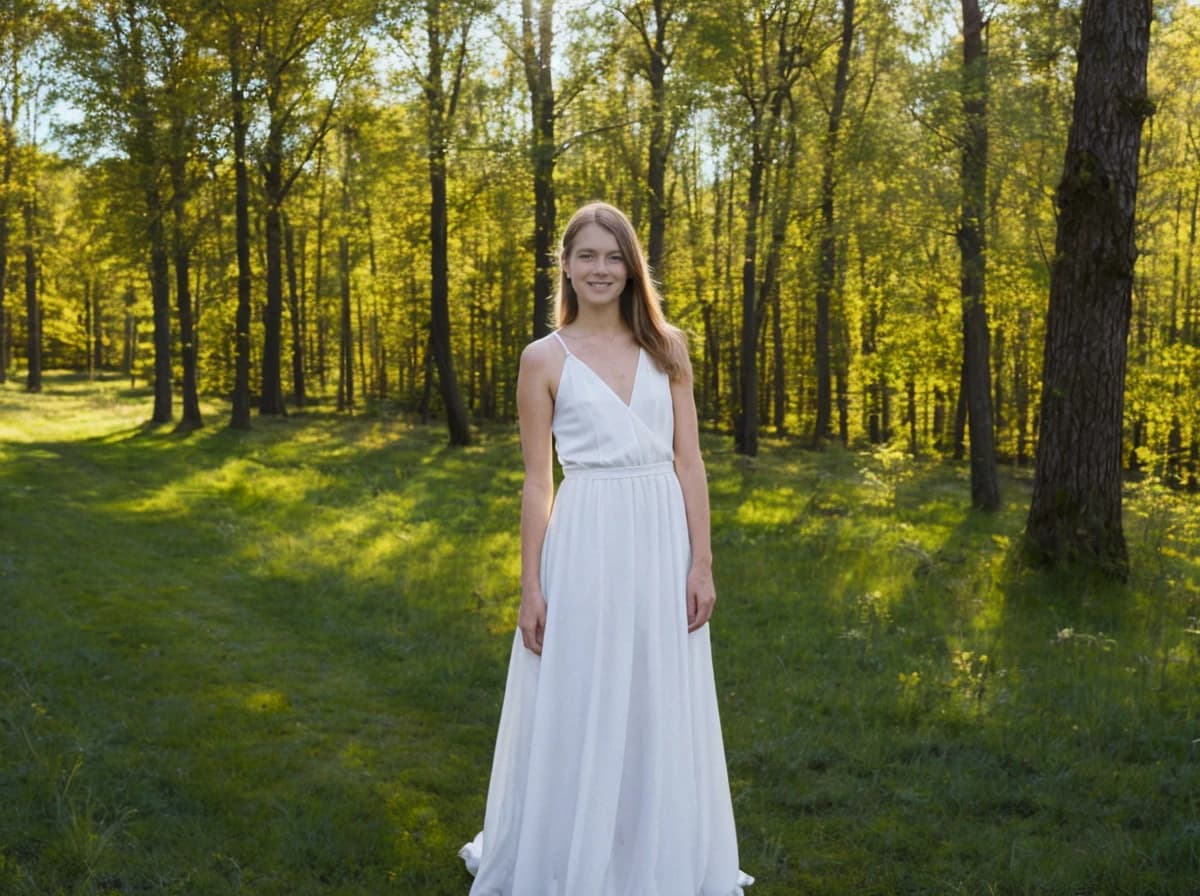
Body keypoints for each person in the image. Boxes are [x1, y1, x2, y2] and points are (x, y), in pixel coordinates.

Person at [459, 202, 753, 896]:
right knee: (584, 693)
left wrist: (701, 562)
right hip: (585, 541)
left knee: (657, 693)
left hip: (660, 540)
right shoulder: (543, 358)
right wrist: (531, 586)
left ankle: (656, 848)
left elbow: (690, 463)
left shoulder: (667, 348)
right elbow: (538, 483)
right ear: (564, 264)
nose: (600, 268)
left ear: (631, 266)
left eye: (613, 256)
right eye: (586, 255)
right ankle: (573, 850)